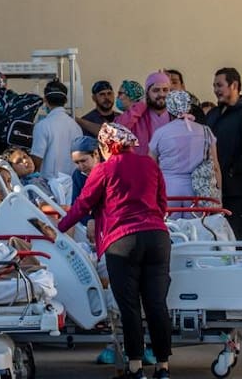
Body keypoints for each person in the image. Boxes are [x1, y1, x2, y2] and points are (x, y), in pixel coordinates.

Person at [59, 123, 171, 379]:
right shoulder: (149, 164)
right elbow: (162, 202)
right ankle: (163, 368)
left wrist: (57, 229)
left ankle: (136, 368)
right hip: (157, 238)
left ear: (106, 146)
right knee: (156, 304)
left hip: (122, 241)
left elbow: (82, 205)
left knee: (129, 305)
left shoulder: (105, 169)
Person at [207, 68, 242, 241]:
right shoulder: (213, 114)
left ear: (234, 85)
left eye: (220, 85)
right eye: (214, 86)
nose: (216, 90)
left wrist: (232, 170)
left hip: (236, 192)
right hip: (213, 191)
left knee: (240, 240)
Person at [149, 89, 221, 215]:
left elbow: (150, 167)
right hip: (196, 190)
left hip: (168, 188)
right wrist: (217, 196)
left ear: (169, 109)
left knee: (170, 230)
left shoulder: (161, 133)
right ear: (189, 107)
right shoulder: (205, 131)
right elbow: (215, 167)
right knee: (196, 230)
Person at [31, 80, 84, 175]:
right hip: (71, 183)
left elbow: (36, 160)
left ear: (45, 100)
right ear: (66, 101)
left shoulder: (43, 126)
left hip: (49, 185)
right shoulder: (76, 127)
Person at [116, 72, 172, 159]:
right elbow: (116, 130)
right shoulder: (138, 115)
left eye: (165, 90)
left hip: (169, 170)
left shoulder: (176, 116)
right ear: (147, 93)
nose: (161, 94)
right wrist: (140, 105)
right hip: (143, 169)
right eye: (156, 90)